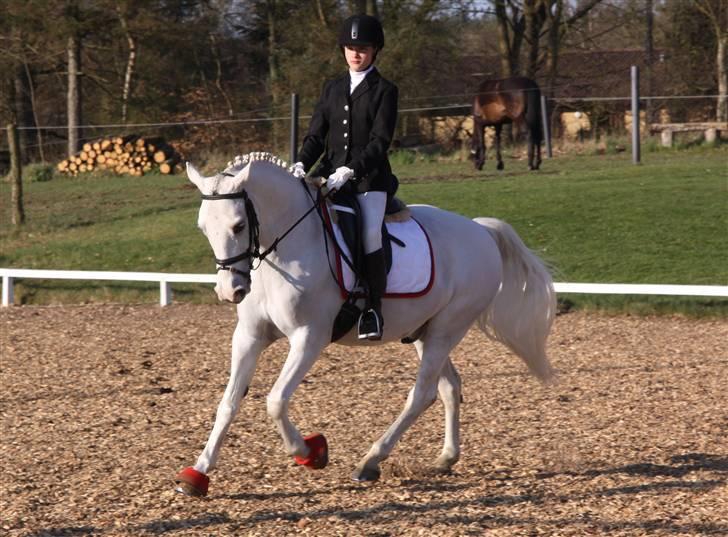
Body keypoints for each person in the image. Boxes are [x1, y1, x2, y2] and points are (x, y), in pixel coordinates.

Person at [290, 14, 398, 341]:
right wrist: (299, 165)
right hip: (327, 175)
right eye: (351, 48)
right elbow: (315, 136)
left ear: (375, 50)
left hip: (369, 180)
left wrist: (352, 170)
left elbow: (380, 142)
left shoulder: (385, 90)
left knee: (368, 235)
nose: (356, 54)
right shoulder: (332, 88)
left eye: (362, 48)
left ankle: (372, 310)